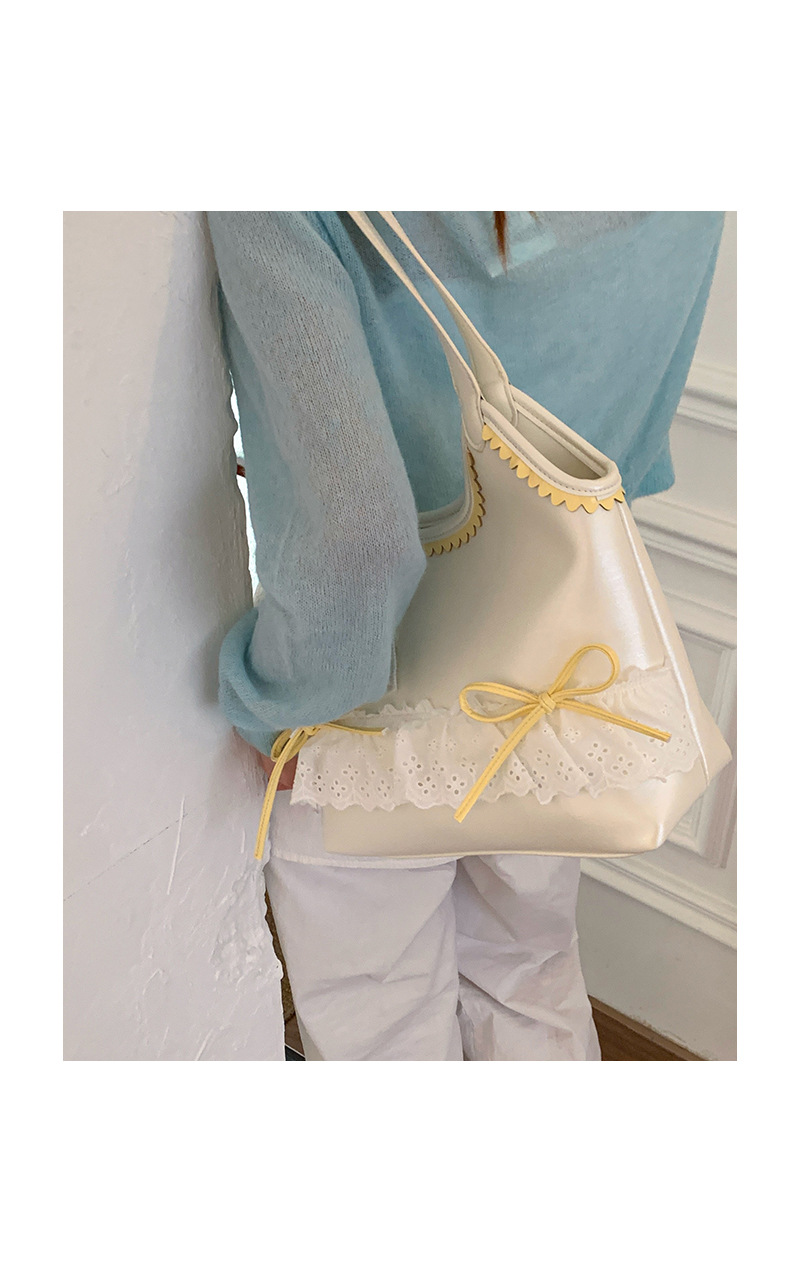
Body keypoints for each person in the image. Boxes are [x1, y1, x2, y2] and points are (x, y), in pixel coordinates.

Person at [207, 210, 724, 1061]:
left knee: (381, 1025)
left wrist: (286, 707)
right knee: (532, 974)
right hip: (555, 667)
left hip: (361, 696)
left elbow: (357, 539)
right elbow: (634, 429)